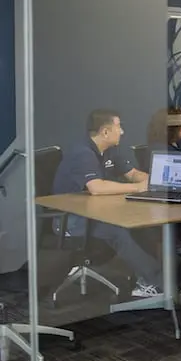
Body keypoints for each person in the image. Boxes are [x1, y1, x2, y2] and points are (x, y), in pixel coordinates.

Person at [52, 109, 163, 297]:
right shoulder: (83, 153)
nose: (122, 132)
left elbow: (132, 174)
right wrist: (137, 188)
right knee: (118, 232)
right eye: (118, 127)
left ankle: (147, 279)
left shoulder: (111, 150)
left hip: (97, 212)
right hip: (71, 219)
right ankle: (158, 282)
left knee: (142, 225)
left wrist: (156, 181)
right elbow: (96, 187)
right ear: (105, 132)